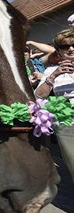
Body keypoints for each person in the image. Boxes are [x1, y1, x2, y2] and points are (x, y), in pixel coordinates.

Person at [34, 28, 74, 181]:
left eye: (73, 45)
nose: (71, 49)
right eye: (65, 46)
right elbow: (38, 96)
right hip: (68, 123)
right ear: (59, 51)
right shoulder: (51, 71)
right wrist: (54, 76)